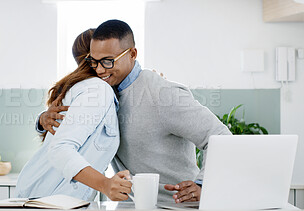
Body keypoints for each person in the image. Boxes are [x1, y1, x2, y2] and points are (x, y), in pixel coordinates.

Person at [37, 20, 232, 203]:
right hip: (135, 206)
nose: (99, 70)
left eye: (108, 61)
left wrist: (202, 184)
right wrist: (42, 121)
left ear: (132, 54)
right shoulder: (104, 95)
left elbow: (220, 136)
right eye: (94, 62)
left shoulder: (162, 94)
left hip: (175, 206)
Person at [15, 28, 132, 202]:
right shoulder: (97, 89)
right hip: (50, 198)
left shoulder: (86, 87)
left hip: (45, 193)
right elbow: (60, 148)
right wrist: (105, 184)